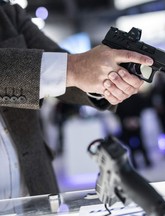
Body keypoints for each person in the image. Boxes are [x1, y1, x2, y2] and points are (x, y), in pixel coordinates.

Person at [0, 2, 154, 200]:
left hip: (35, 184)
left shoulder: (7, 13)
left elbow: (58, 60)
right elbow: (67, 67)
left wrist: (104, 82)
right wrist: (75, 68)